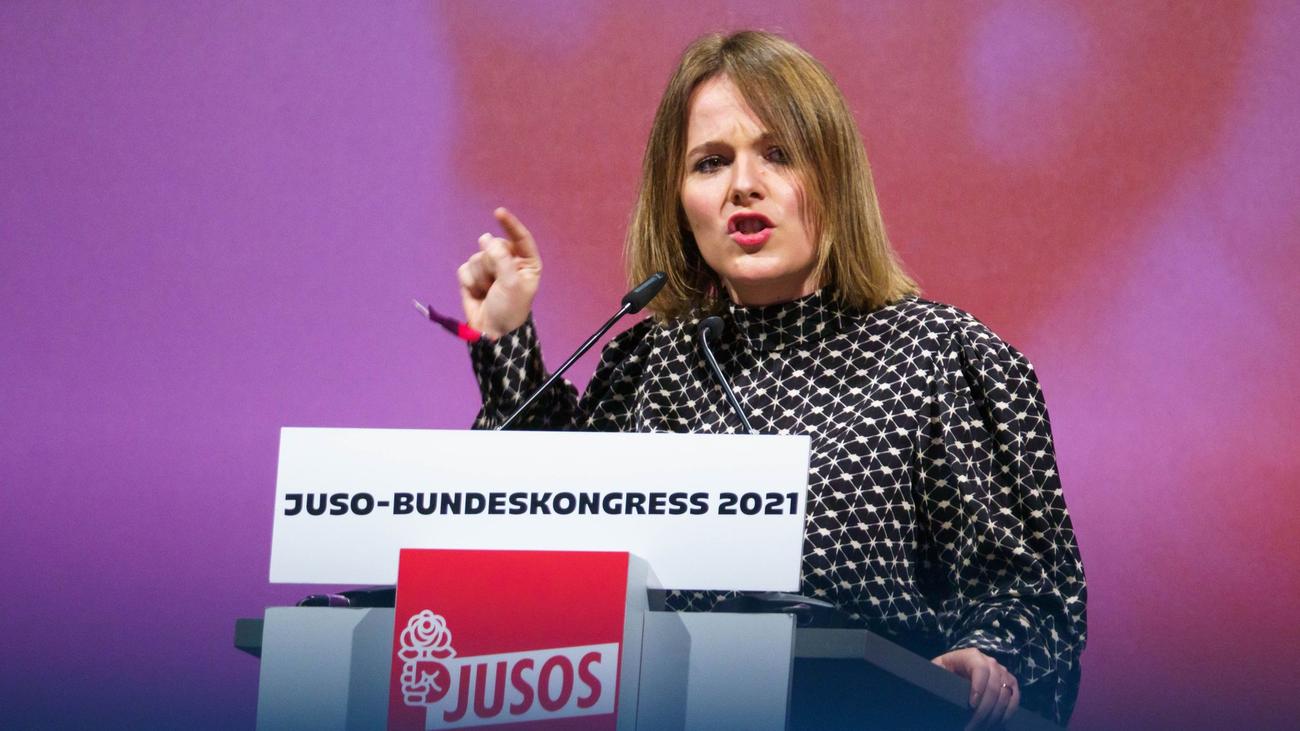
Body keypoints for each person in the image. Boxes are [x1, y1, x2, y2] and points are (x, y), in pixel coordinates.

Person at [453, 31, 1086, 728]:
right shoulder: (645, 364)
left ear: (834, 176)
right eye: (711, 162)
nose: (743, 185)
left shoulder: (940, 356)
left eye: (778, 153)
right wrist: (506, 341)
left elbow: (1033, 594)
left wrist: (988, 654)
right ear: (678, 198)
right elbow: (543, 538)